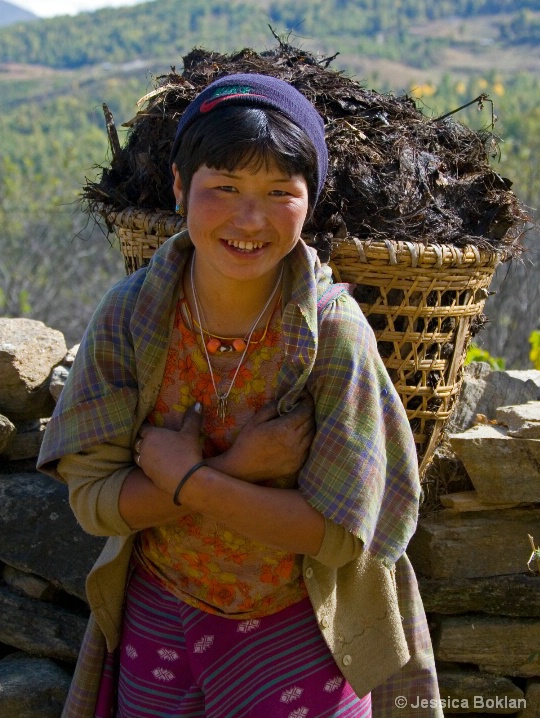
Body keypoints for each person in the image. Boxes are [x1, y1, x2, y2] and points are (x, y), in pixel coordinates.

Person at [38, 73, 442, 718]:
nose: (249, 219)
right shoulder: (132, 317)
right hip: (158, 624)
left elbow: (342, 537)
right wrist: (234, 469)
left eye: (280, 192)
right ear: (179, 186)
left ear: (310, 201)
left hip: (298, 633)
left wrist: (190, 481)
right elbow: (93, 503)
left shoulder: (332, 335)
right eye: (223, 188)